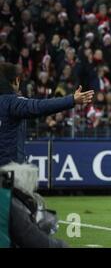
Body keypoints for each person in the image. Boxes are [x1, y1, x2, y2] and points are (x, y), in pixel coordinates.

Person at [0, 62, 94, 247]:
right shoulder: (12, 102)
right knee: (22, 230)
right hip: (8, 179)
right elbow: (38, 106)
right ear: (16, 81)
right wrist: (71, 100)